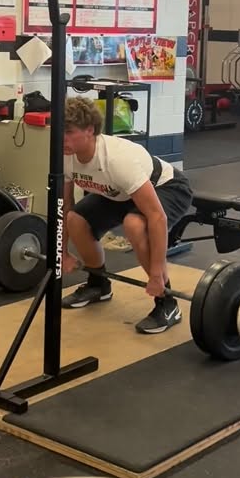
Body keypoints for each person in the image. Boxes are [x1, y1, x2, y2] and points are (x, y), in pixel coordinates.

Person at [61, 97, 193, 333]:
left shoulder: (116, 159)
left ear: (90, 130)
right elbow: (66, 206)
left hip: (168, 187)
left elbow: (157, 217)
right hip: (118, 193)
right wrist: (62, 253)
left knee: (134, 224)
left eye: (69, 132)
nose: (63, 139)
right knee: (76, 220)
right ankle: (98, 284)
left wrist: (155, 274)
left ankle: (167, 302)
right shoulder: (66, 154)